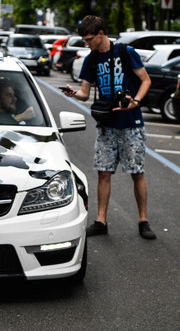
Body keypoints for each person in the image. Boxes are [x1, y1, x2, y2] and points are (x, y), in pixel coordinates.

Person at [61, 15, 156, 239]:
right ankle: (101, 221)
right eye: (84, 40)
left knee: (137, 172)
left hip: (131, 123)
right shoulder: (91, 60)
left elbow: (146, 80)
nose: (86, 43)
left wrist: (136, 101)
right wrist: (75, 94)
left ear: (101, 33)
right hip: (106, 124)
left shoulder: (125, 52)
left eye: (89, 39)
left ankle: (143, 220)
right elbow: (85, 94)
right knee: (103, 172)